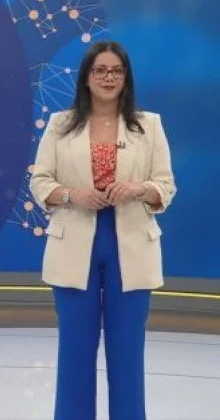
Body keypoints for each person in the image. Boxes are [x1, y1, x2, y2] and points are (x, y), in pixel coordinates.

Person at [29, 41, 177, 420]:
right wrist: (70, 195)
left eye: (116, 70)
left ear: (126, 77)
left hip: (132, 247)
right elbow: (40, 181)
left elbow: (165, 186)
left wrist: (139, 189)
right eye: (100, 70)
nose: (108, 77)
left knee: (127, 351)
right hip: (74, 245)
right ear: (87, 77)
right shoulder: (61, 125)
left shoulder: (149, 125)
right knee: (75, 351)